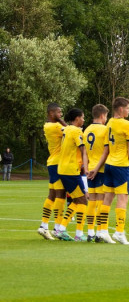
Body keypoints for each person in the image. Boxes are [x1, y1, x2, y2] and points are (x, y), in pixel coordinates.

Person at [90, 97, 129, 244]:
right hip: (121, 165)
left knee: (107, 199)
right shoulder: (127, 124)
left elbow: (107, 148)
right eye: (128, 108)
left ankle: (102, 230)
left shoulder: (109, 123)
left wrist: (97, 168)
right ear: (121, 109)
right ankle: (119, 231)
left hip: (109, 165)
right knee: (123, 198)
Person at [52, 108, 90, 241]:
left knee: (76, 200)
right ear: (77, 118)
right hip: (70, 170)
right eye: (83, 117)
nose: (84, 120)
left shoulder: (67, 129)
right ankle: (79, 234)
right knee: (83, 200)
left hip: (62, 169)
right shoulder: (76, 131)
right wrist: (87, 166)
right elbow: (83, 148)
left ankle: (61, 229)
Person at [36, 103, 67, 241]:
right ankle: (57, 227)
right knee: (60, 194)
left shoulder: (47, 125)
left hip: (53, 162)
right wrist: (61, 121)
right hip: (58, 163)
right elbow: (72, 131)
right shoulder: (55, 126)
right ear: (51, 113)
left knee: (52, 195)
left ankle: (44, 226)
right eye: (59, 112)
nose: (61, 115)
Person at [83, 104, 110, 242]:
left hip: (90, 170)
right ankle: (100, 232)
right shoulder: (105, 130)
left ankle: (90, 232)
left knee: (92, 201)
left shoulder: (86, 130)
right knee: (101, 200)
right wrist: (97, 168)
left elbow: (85, 152)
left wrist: (86, 168)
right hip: (100, 169)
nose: (106, 119)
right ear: (102, 116)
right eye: (106, 116)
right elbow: (106, 152)